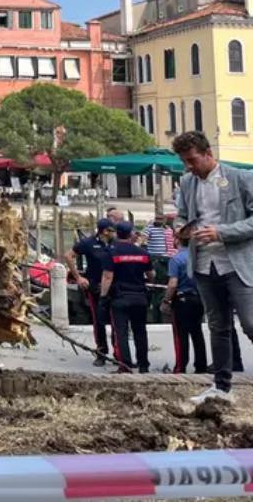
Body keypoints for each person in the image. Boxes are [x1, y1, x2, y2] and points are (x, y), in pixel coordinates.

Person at [173, 131, 253, 403]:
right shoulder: (186, 183)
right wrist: (180, 228)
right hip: (204, 265)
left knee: (250, 323)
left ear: (208, 154)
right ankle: (221, 388)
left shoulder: (240, 177)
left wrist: (222, 232)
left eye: (192, 160)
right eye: (185, 162)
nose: (189, 167)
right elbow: (182, 215)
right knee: (218, 327)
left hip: (237, 263)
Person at [99, 221, 153, 374]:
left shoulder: (112, 253)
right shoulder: (143, 253)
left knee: (121, 332)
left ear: (117, 234)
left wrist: (103, 297)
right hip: (140, 297)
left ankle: (126, 366)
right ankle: (143, 365)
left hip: (120, 297)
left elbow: (107, 276)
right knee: (140, 332)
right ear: (131, 235)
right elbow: (151, 275)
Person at [66, 218, 116, 366]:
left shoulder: (116, 244)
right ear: (104, 231)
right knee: (98, 320)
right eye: (111, 230)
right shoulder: (88, 243)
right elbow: (68, 256)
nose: (114, 233)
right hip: (94, 286)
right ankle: (101, 352)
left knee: (116, 321)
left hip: (113, 287)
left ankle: (118, 352)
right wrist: (78, 277)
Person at [162, 234, 207, 374]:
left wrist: (166, 300)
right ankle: (201, 366)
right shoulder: (198, 257)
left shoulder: (176, 259)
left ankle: (180, 367)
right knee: (197, 333)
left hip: (182, 300)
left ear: (177, 240)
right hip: (198, 299)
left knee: (180, 335)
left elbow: (173, 283)